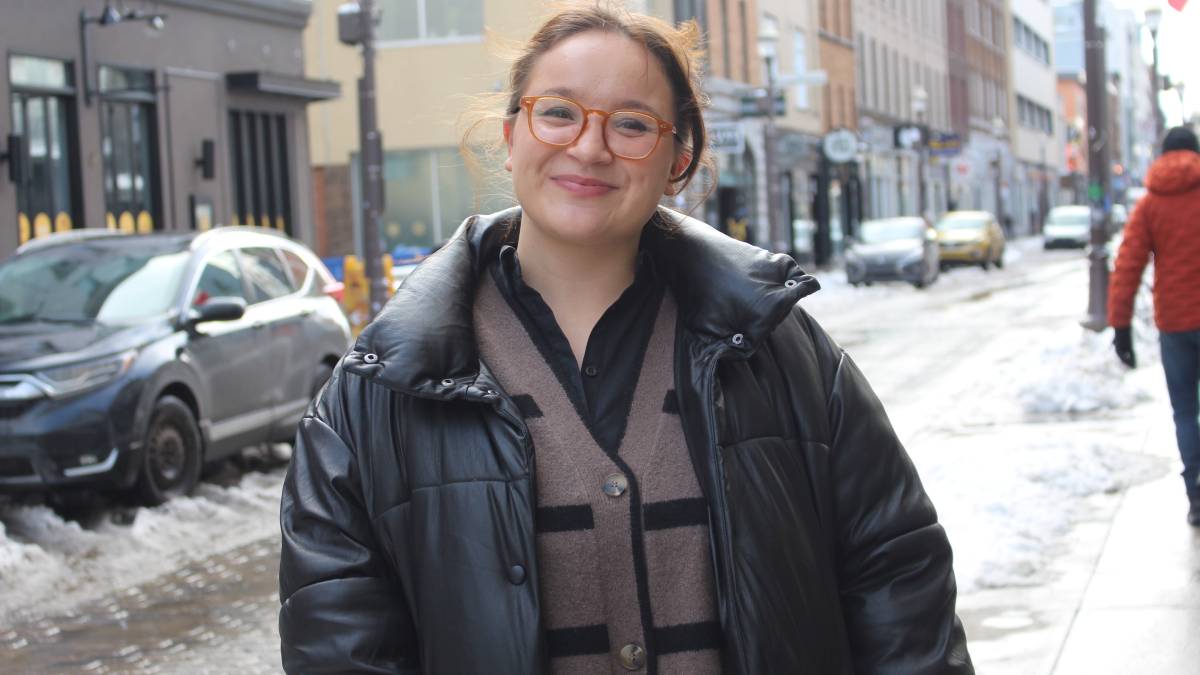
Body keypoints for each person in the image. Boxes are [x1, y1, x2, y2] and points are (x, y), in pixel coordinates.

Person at [278, 6, 973, 673]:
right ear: (511, 135)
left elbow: (898, 583)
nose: (589, 147)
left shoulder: (784, 356)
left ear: (678, 160)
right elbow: (340, 646)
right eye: (558, 111)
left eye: (633, 124)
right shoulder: (376, 395)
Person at [1109, 125, 1200, 527]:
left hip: (1175, 323)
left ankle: (1196, 494)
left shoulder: (1150, 203)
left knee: (1185, 412)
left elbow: (1128, 265)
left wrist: (1121, 326)